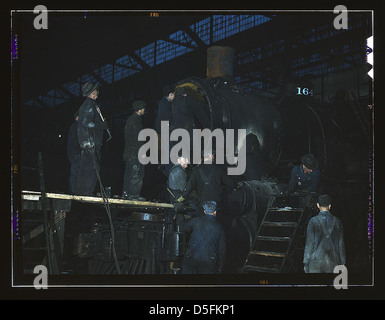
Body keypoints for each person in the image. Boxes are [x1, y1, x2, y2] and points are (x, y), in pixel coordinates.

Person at [178, 152, 239, 217]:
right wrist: (238, 185)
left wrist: (180, 199)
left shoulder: (196, 170)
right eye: (213, 155)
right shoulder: (219, 169)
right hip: (217, 206)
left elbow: (189, 187)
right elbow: (231, 183)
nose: (213, 157)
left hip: (202, 205)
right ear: (210, 156)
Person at [75, 82, 109, 196]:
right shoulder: (90, 105)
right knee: (92, 170)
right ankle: (86, 194)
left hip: (86, 142)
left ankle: (80, 193)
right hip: (91, 142)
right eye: (95, 92)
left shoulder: (86, 105)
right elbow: (86, 122)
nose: (97, 94)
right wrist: (101, 125)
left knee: (84, 169)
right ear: (91, 93)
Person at [176, 201, 226, 274]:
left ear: (204, 211)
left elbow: (182, 227)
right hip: (209, 261)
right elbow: (222, 250)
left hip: (191, 258)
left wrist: (179, 214)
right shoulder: (219, 227)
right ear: (215, 212)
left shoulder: (196, 221)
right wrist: (220, 267)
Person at [303, 194, 346, 273]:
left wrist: (306, 262)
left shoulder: (313, 221)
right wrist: (343, 262)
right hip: (333, 261)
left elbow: (309, 244)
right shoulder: (337, 221)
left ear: (318, 205)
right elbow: (341, 243)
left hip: (315, 262)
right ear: (330, 206)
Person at [122, 100, 147, 201]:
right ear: (140, 110)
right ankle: (133, 194)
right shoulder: (136, 120)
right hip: (135, 152)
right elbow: (138, 137)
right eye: (143, 109)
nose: (145, 111)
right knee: (137, 173)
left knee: (129, 173)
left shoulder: (130, 119)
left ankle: (126, 193)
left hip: (129, 152)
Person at [67, 110, 81, 194]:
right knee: (75, 173)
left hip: (73, 153)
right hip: (75, 153)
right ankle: (73, 191)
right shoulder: (75, 127)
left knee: (75, 173)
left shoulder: (74, 126)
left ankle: (74, 191)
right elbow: (75, 141)